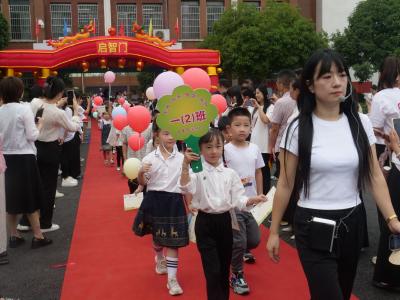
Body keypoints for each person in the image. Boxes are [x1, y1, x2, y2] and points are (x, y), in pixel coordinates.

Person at [266, 49, 400, 300]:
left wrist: (391, 217)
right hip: (313, 225)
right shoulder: (298, 127)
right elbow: (285, 183)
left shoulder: (360, 122)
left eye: (341, 74)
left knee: (344, 291)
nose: (337, 82)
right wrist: (274, 231)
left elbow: (374, 174)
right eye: (326, 76)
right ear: (310, 85)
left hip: (353, 221)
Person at [179, 128, 266, 300]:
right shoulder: (196, 172)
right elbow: (185, 187)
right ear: (201, 149)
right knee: (212, 271)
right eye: (208, 147)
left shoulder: (230, 173)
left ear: (223, 148)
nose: (213, 151)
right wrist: (184, 165)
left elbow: (239, 199)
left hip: (226, 221)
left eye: (218, 146)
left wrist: (254, 199)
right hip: (205, 222)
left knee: (224, 268)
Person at [132, 121, 189, 296]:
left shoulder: (182, 158)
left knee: (173, 242)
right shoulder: (149, 158)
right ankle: (158, 257)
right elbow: (143, 182)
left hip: (175, 201)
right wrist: (141, 173)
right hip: (154, 200)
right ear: (157, 135)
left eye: (173, 133)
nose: (171, 137)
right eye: (166, 133)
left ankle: (172, 279)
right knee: (158, 239)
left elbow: (186, 184)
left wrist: (191, 203)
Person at [0, 76, 52, 249]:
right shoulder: (23, 110)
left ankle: (14, 235)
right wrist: (40, 125)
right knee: (31, 198)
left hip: (6, 158)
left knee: (12, 200)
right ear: (20, 91)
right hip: (24, 157)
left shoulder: (0, 111)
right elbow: (32, 136)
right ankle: (38, 236)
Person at [25, 76, 81, 232]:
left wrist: (58, 103)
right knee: (49, 187)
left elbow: (45, 107)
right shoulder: (58, 113)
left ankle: (26, 220)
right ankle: (45, 223)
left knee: (35, 185)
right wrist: (76, 111)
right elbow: (72, 127)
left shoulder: (35, 103)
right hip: (50, 150)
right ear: (60, 93)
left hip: (34, 147)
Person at [224, 107, 264, 295]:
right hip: (233, 204)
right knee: (239, 241)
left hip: (252, 201)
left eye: (246, 125)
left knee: (254, 240)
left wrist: (261, 194)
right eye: (237, 125)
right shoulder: (224, 150)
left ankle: (233, 250)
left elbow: (258, 172)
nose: (242, 129)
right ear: (229, 129)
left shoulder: (254, 148)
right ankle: (236, 274)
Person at [268, 69, 297, 178]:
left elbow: (275, 128)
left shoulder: (281, 102)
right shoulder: (300, 99)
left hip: (282, 145)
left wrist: (271, 146)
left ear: (280, 84)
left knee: (283, 178)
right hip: (296, 145)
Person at [250, 84, 274, 194]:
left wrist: (259, 107)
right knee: (256, 170)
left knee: (265, 171)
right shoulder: (255, 109)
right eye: (256, 93)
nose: (256, 95)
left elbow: (265, 120)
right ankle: (259, 193)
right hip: (254, 143)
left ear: (264, 93)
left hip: (264, 145)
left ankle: (266, 194)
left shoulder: (271, 107)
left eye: (258, 92)